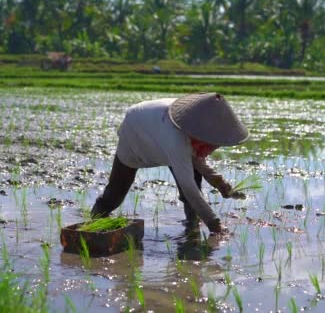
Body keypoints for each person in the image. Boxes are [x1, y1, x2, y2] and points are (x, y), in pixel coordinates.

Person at [90, 92, 249, 234]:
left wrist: (217, 180)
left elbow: (194, 157)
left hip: (158, 126)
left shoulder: (195, 123)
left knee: (195, 176)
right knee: (115, 194)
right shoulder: (176, 137)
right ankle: (96, 218)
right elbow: (188, 187)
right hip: (135, 131)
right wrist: (215, 224)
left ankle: (192, 227)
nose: (214, 148)